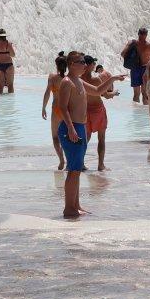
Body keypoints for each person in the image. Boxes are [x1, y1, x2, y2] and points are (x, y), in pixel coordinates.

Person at [54, 51, 124, 217]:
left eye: (84, 62)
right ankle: (68, 208)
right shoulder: (66, 82)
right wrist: (70, 128)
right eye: (80, 62)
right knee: (73, 169)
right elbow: (62, 108)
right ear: (71, 64)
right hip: (71, 128)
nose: (84, 65)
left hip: (80, 127)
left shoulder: (78, 81)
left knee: (77, 169)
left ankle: (76, 205)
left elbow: (99, 90)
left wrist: (113, 79)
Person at [82, 55, 118, 171]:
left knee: (85, 139)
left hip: (85, 111)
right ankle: (101, 165)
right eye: (93, 64)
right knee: (101, 138)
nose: (94, 66)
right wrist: (114, 93)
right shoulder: (96, 80)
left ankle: (80, 163)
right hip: (98, 110)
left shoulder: (79, 80)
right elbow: (106, 95)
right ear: (89, 65)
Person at [42, 53, 68, 169]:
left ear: (56, 65)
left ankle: (61, 160)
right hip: (67, 110)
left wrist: (43, 107)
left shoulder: (52, 77)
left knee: (55, 137)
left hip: (56, 109)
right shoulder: (69, 79)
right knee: (66, 136)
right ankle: (67, 157)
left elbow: (47, 92)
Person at [121, 27, 150, 104]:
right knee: (145, 94)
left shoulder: (132, 43)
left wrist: (132, 59)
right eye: (143, 34)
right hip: (144, 69)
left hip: (135, 69)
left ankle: (136, 115)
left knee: (136, 94)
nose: (142, 36)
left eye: (142, 34)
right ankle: (144, 115)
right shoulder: (149, 46)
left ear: (138, 33)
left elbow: (122, 54)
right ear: (146, 35)